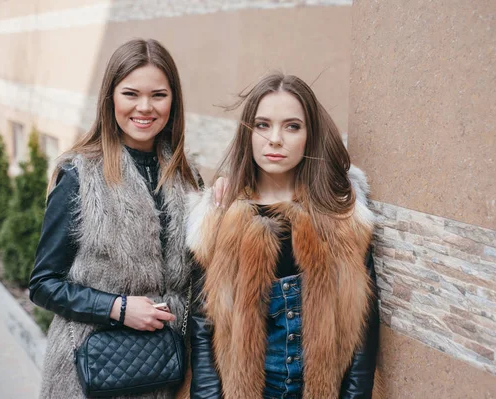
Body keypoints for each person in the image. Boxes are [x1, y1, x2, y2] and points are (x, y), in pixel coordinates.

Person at [186, 73, 380, 399]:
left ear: (309, 135)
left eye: (292, 126)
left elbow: (363, 325)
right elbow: (204, 323)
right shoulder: (220, 212)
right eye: (263, 125)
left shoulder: (341, 214)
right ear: (248, 133)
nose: (275, 139)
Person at [29, 38, 201, 398]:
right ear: (111, 99)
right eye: (130, 94)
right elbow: (44, 284)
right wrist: (117, 308)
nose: (144, 107)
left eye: (158, 95)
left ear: (174, 100)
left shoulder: (189, 180)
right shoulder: (79, 176)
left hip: (167, 373)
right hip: (89, 374)